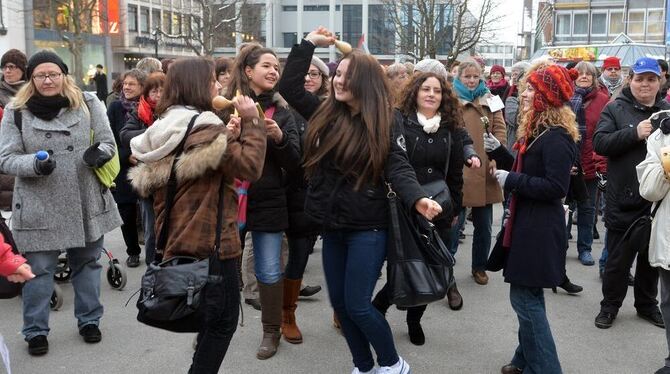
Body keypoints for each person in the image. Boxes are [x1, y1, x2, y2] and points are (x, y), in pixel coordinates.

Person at [303, 31, 443, 372]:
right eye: (337, 74)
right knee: (340, 303)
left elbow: (398, 166)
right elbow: (292, 88)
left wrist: (418, 199)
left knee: (359, 306)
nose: (338, 81)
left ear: (364, 81)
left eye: (347, 76)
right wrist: (307, 45)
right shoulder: (326, 113)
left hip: (369, 226)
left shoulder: (385, 118)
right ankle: (364, 366)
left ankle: (393, 365)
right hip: (333, 224)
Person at [129, 57, 267, 374]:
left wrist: (227, 135)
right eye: (213, 81)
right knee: (222, 323)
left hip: (177, 238)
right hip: (212, 243)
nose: (218, 86)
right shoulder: (205, 127)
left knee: (207, 316)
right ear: (198, 86)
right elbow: (249, 168)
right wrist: (252, 122)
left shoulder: (166, 127)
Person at [0, 50, 122, 356]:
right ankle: (35, 330)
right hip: (39, 202)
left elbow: (108, 141)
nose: (48, 80)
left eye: (54, 73)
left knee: (88, 264)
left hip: (85, 197)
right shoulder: (17, 110)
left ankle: (89, 320)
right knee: (38, 271)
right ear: (32, 78)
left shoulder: (89, 102)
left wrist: (101, 153)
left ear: (64, 75)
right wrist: (34, 165)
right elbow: (6, 159)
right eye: (40, 74)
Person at [494, 64, 579, 374]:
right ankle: (523, 360)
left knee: (525, 299)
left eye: (531, 89)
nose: (524, 93)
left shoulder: (556, 137)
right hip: (529, 223)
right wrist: (501, 155)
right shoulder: (540, 131)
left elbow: (556, 187)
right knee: (528, 298)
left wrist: (509, 180)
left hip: (539, 228)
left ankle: (546, 368)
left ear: (545, 95)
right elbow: (530, 172)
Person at [372, 72, 465, 346]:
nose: (431, 94)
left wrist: (455, 207)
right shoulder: (399, 120)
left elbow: (455, 172)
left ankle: (414, 320)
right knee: (403, 264)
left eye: (437, 91)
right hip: (404, 206)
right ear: (415, 92)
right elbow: (393, 165)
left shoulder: (451, 127)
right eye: (426, 89)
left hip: (439, 209)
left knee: (432, 265)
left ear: (443, 97)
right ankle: (379, 307)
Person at [226, 43, 301, 359]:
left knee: (269, 269)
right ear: (248, 71)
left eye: (276, 67)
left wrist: (279, 139)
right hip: (229, 199)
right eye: (266, 66)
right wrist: (229, 132)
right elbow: (211, 155)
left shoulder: (283, 113)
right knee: (223, 268)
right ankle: (215, 326)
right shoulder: (224, 107)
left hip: (268, 198)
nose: (273, 71)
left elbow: (295, 161)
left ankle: (271, 331)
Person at [593, 56, 668, 329]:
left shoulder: (667, 110)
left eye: (651, 79)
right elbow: (600, 143)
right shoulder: (615, 108)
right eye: (640, 79)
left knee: (651, 260)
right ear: (630, 81)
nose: (645, 84)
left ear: (659, 82)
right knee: (617, 261)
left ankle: (646, 305)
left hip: (656, 200)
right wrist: (634, 133)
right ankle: (609, 306)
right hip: (623, 198)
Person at [451, 58, 506, 286]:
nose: (472, 80)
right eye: (467, 76)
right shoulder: (451, 100)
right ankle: (445, 264)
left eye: (475, 76)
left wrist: (496, 156)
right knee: (454, 222)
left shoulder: (491, 98)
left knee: (484, 226)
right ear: (459, 77)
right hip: (460, 167)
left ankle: (479, 267)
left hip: (485, 167)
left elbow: (500, 129)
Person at [119, 72, 165, 265]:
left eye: (163, 90)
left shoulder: (175, 110)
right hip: (147, 179)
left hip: (171, 177)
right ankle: (152, 268)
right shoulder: (139, 111)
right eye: (155, 90)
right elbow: (125, 135)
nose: (159, 94)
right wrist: (154, 132)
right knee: (150, 228)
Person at [567, 61, 610, 266]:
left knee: (587, 208)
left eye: (589, 74)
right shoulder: (565, 97)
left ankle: (584, 249)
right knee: (564, 207)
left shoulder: (603, 100)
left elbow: (606, 132)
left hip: (590, 162)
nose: (584, 77)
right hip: (566, 161)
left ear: (594, 79)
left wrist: (598, 160)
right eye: (580, 73)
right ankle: (560, 245)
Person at [637, 119, 670, 374]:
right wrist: (667, 164)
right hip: (668, 234)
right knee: (668, 302)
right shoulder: (662, 134)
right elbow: (649, 190)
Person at [107, 68, 147, 267]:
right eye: (125, 83)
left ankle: (154, 248)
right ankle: (132, 251)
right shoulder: (115, 107)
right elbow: (110, 138)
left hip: (147, 165)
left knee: (149, 211)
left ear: (142, 87)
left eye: (132, 84)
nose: (127, 87)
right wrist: (126, 156)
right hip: (123, 166)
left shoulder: (149, 106)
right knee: (127, 211)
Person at [0, 49, 28, 212]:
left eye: (12, 66)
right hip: (5, 157)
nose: (7, 71)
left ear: (23, 69)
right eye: (4, 67)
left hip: (28, 159)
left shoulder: (33, 93)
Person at [504, 61, 530, 155]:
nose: (514, 77)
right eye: (512, 74)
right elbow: (516, 121)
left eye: (516, 74)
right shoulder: (512, 97)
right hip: (515, 145)